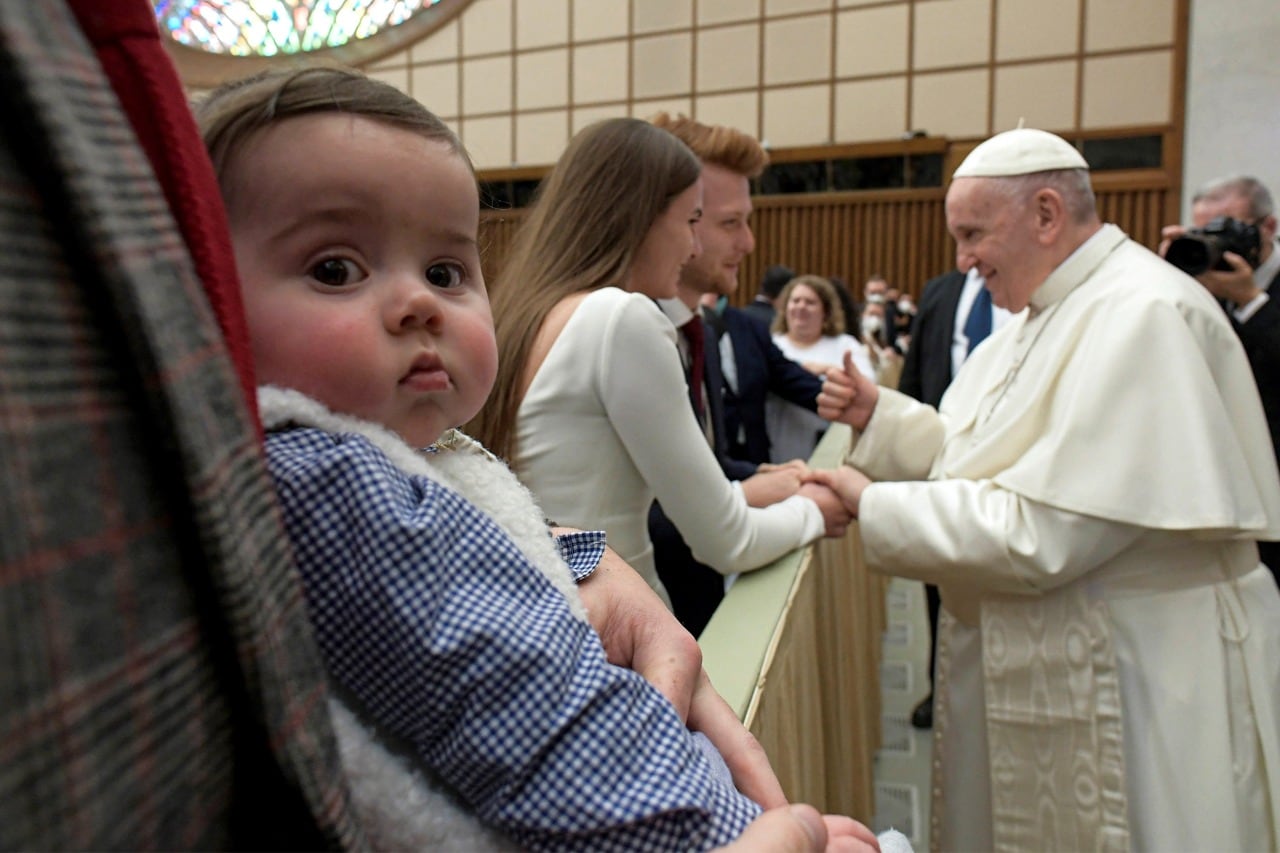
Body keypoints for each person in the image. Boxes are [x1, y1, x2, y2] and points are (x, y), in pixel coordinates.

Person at [197, 66, 875, 851]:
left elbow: (510, 519)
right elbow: (556, 735)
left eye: (446, 272)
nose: (419, 301)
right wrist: (729, 828)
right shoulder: (336, 480)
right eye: (335, 269)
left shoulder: (421, 423)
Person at [808, 127, 1280, 852]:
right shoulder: (1045, 313)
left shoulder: (1144, 314)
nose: (962, 259)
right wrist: (884, 420)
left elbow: (1044, 531)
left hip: (1141, 673)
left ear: (1047, 213)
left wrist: (871, 504)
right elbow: (988, 454)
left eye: (972, 234)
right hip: (1070, 646)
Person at [472, 118, 849, 611]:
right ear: (641, 217)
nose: (694, 247)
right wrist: (815, 511)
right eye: (691, 221)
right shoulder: (621, 317)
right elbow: (727, 540)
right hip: (623, 634)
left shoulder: (529, 311)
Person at [644, 112, 827, 634]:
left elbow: (699, 462)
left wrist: (760, 475)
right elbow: (617, 520)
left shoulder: (694, 325)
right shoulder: (624, 330)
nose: (748, 242)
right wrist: (749, 496)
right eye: (730, 223)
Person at [895, 266, 1011, 729]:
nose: (966, 252)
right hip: (942, 460)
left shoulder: (1031, 296)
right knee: (937, 583)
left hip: (1007, 466)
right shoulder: (940, 291)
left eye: (974, 232)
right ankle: (939, 687)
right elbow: (915, 377)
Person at [1160, 175, 1280, 578]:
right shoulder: (1194, 287)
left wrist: (1252, 303)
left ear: (1269, 228)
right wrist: (1166, 281)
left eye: (1226, 230)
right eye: (1203, 232)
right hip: (1219, 486)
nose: (1215, 244)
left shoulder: (1259, 294)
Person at [767, 275, 874, 463]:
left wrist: (826, 370)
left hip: (828, 445)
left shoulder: (845, 345)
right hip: (777, 444)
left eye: (810, 302)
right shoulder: (772, 344)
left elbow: (868, 386)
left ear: (825, 311)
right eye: (795, 301)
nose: (801, 307)